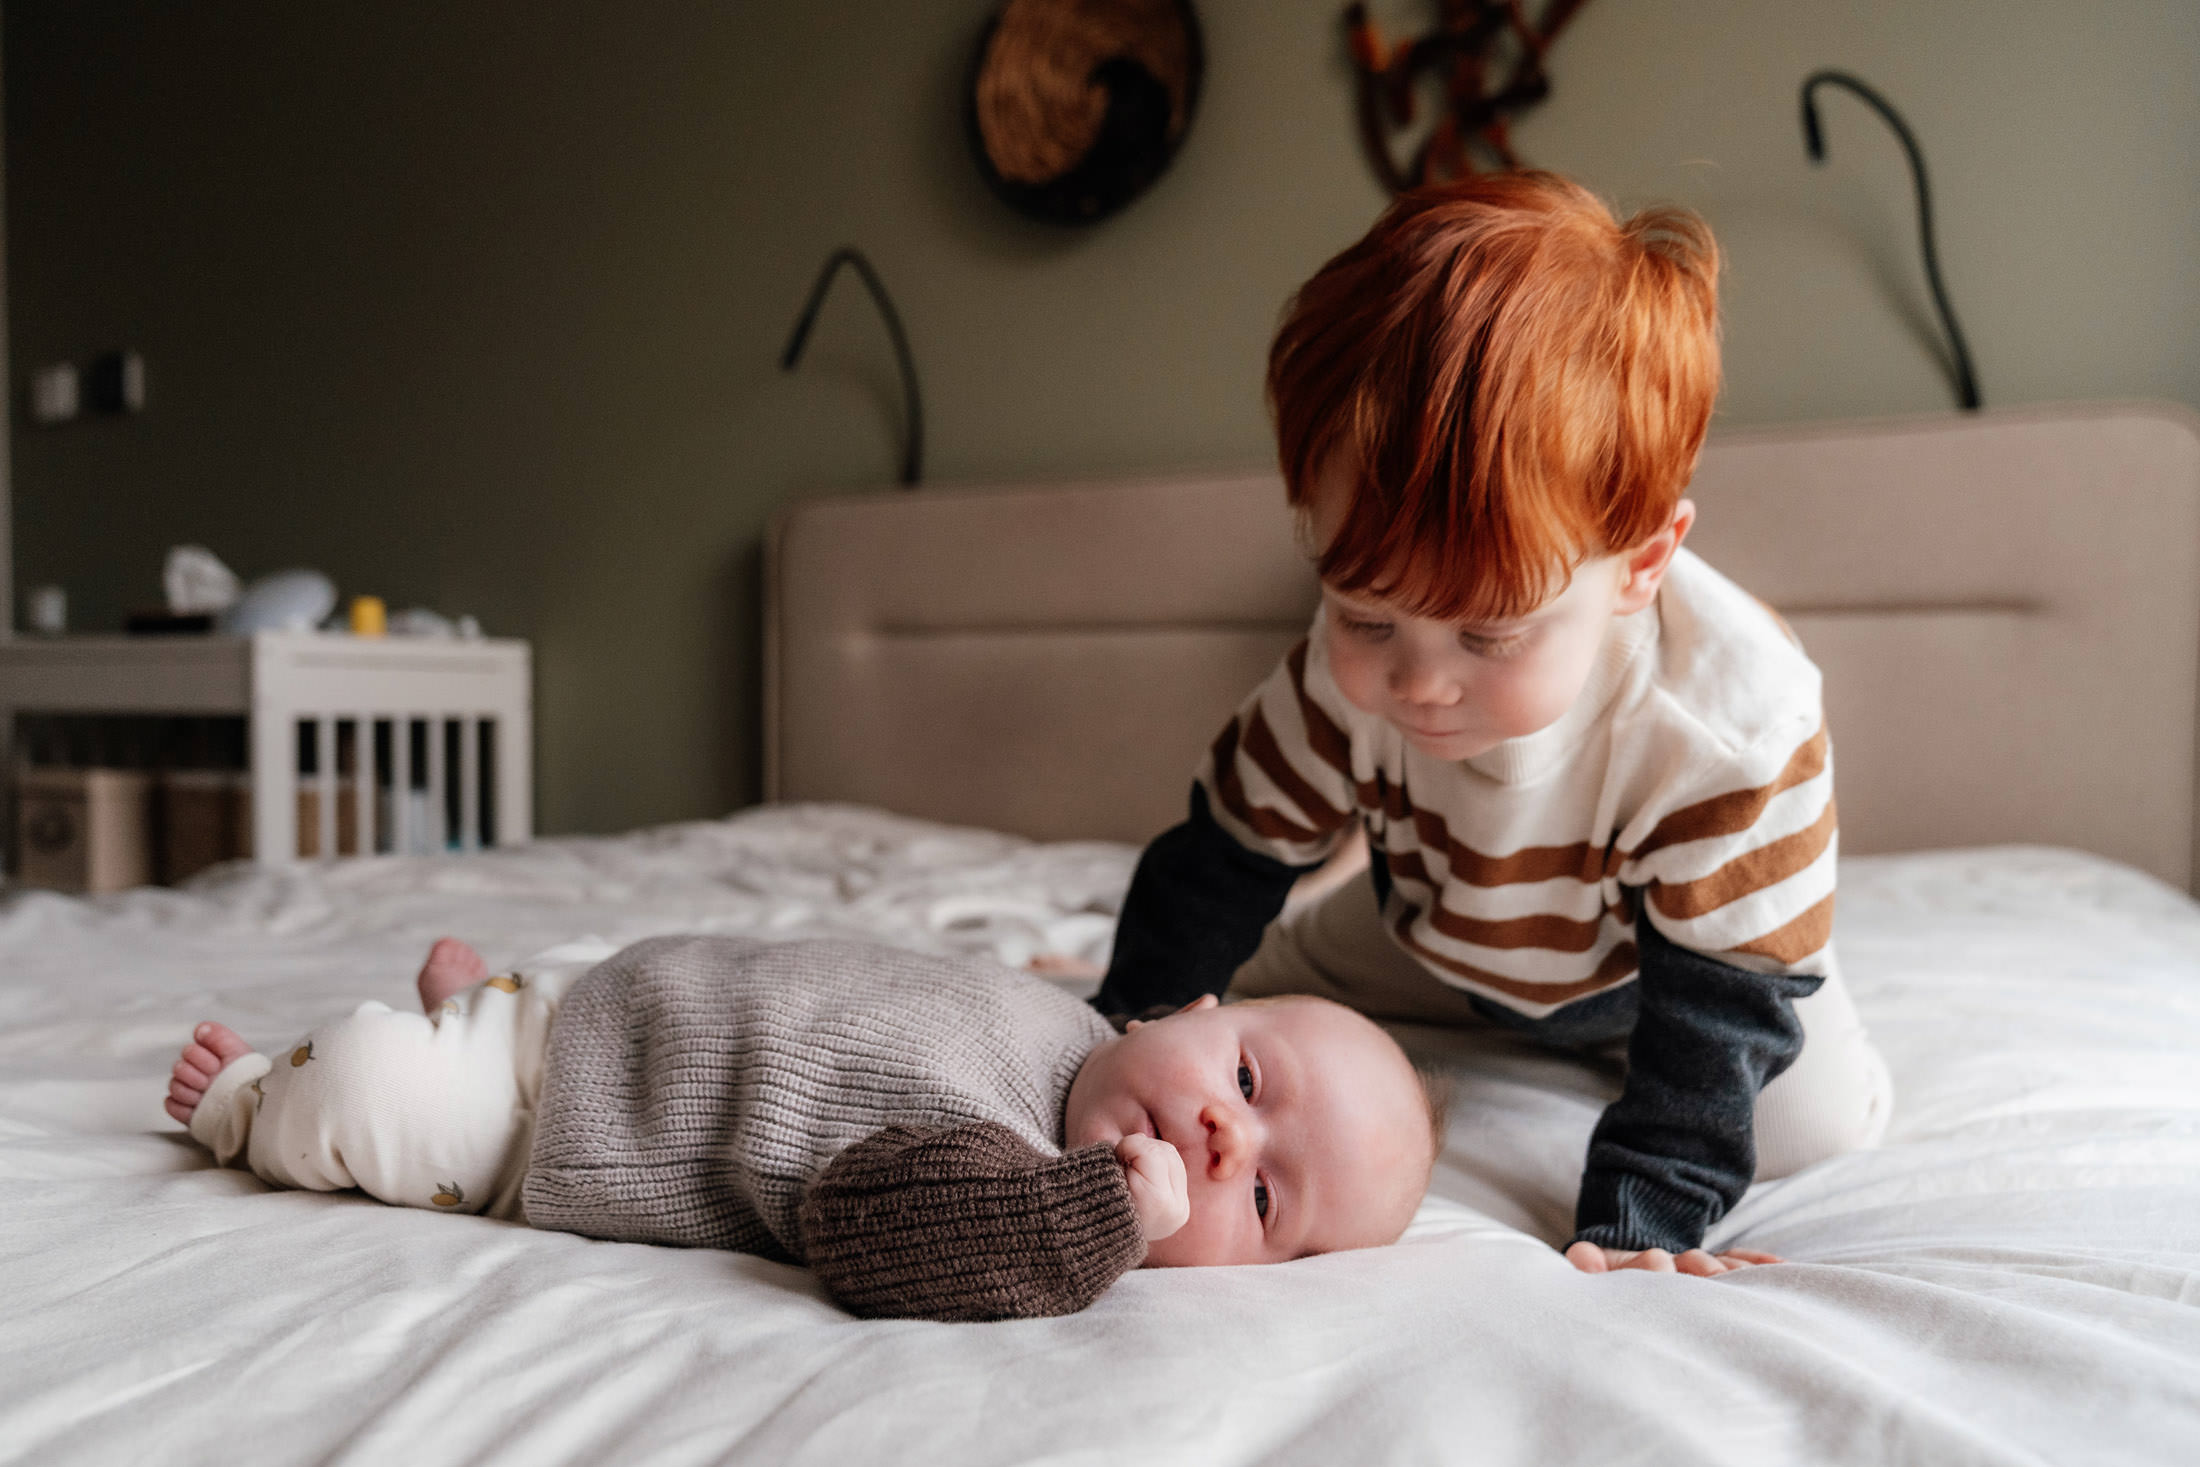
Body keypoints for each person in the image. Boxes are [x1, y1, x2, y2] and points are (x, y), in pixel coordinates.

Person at [1095, 171, 1892, 1278]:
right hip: (1439, 930)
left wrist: (1638, 1218)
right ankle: (1366, 917)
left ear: (1641, 565)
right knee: (1263, 1007)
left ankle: (1776, 943)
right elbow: (1220, 864)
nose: (1418, 683)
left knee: (1809, 1130)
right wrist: (1123, 1020)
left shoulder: (1728, 730)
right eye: (1367, 613)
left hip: (1672, 965)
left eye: (1489, 637)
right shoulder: (1336, 680)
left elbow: (1719, 1022)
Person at [165, 932, 1437, 1321]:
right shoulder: (1072, 1024)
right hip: (613, 997)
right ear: (1196, 1011)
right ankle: (481, 1000)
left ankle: (250, 1105)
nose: (1226, 1142)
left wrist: (1102, 1213)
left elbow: (865, 1230)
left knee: (371, 1084)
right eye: (1252, 1083)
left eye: (1265, 1204)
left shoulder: (1028, 1192)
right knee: (495, 1013)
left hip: (548, 1124)